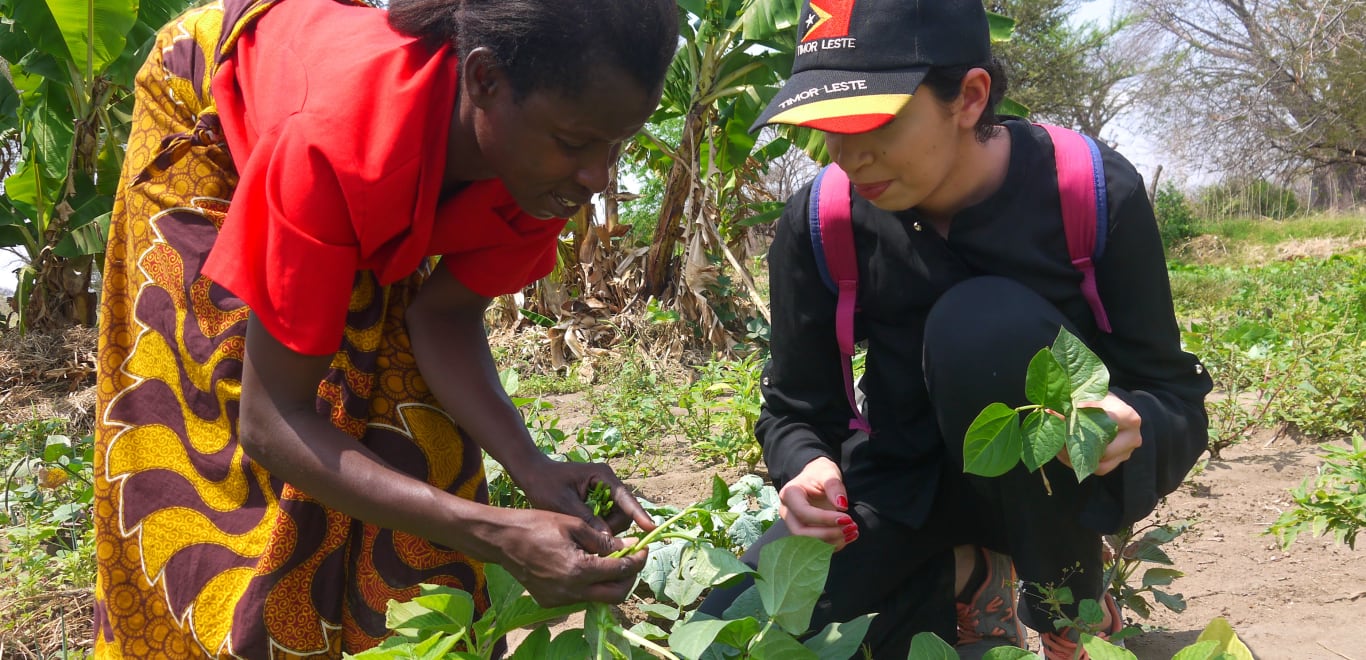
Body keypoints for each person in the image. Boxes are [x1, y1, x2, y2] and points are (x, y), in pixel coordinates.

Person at [92, 0, 678, 656]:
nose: (598, 177)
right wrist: (492, 532)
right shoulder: (336, 139)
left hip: (352, 166)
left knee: (418, 433)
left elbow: (443, 316)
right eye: (576, 144)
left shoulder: (542, 162)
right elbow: (271, 420)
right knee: (216, 437)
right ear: (483, 81)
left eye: (615, 143)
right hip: (211, 108)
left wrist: (531, 467)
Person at [698, 1, 1213, 658]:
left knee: (982, 329)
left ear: (969, 97)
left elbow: (1174, 401)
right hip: (898, 490)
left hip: (1048, 501)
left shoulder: (1088, 190)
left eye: (876, 122)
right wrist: (806, 466)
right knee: (723, 636)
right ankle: (966, 577)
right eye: (828, 127)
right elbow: (796, 411)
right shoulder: (822, 222)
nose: (850, 156)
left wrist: (1131, 425)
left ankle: (1066, 605)